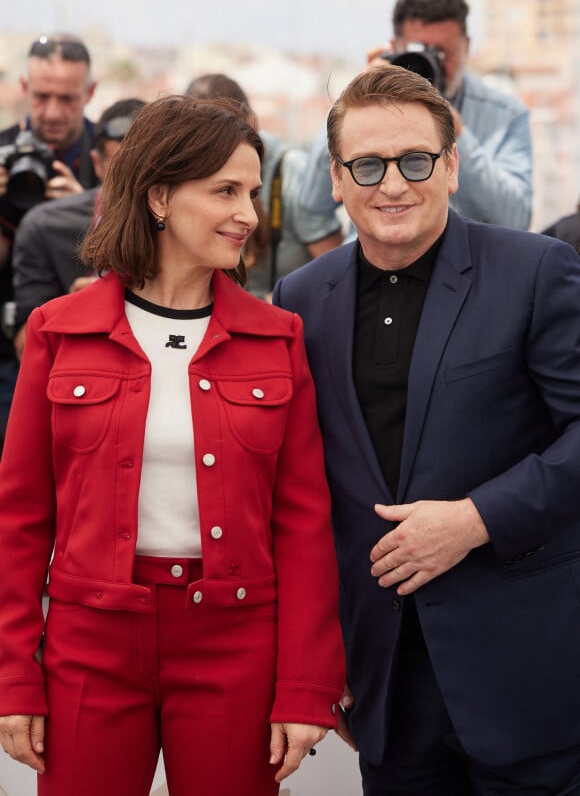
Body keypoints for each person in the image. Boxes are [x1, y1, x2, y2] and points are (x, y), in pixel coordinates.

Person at [0, 95, 344, 796]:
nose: (248, 212)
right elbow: (20, 517)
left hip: (235, 642)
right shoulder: (57, 331)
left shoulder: (277, 338)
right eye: (224, 191)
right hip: (88, 644)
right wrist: (12, 675)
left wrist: (307, 684)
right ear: (158, 195)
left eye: (251, 190)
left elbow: (304, 522)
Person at [273, 64, 580, 794]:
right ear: (337, 179)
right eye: (368, 165)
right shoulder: (300, 297)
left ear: (451, 167)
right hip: (385, 680)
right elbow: (300, 491)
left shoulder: (537, 269)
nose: (393, 185)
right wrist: (320, 659)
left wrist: (476, 518)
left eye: (415, 161)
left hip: (524, 672)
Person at [300, 0, 532, 242]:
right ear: (394, 47)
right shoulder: (362, 107)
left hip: (473, 272)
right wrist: (343, 271)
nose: (436, 63)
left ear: (467, 48)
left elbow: (517, 218)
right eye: (421, 51)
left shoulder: (506, 114)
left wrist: (457, 133)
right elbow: (311, 206)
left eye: (445, 53)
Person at [0, 33, 98, 433]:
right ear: (24, 88)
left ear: (90, 92)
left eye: (68, 99)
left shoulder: (109, 157)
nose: (52, 112)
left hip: (85, 352)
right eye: (41, 97)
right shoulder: (3, 151)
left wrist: (90, 210)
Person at [185, 74, 342, 299]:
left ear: (251, 123)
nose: (249, 218)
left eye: (252, 193)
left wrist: (277, 304)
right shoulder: (190, 178)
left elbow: (336, 273)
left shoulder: (292, 172)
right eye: (226, 191)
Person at [11, 98, 146, 359]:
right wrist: (73, 310)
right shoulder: (45, 226)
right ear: (97, 164)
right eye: (123, 171)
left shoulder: (188, 229)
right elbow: (24, 348)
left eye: (151, 171)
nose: (138, 186)